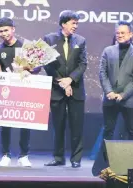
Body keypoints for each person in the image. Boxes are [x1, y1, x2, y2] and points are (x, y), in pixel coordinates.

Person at [0, 17, 40, 167]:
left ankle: (23, 155)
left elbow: (37, 67)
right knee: (5, 124)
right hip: (6, 92)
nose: (4, 33)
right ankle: (5, 155)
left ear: (13, 29)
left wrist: (26, 69)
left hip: (25, 90)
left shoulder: (27, 47)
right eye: (1, 31)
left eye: (6, 30)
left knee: (25, 123)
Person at [43, 10, 87, 168]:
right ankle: (58, 157)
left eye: (77, 23)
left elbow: (83, 64)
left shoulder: (80, 41)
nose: (75, 26)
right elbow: (46, 63)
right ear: (63, 23)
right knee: (58, 125)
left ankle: (76, 159)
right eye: (72, 23)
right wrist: (61, 82)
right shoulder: (49, 39)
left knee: (77, 126)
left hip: (76, 89)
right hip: (57, 89)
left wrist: (70, 80)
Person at [99, 21, 133, 142]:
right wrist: (109, 92)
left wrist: (123, 94)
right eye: (118, 33)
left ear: (131, 34)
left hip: (130, 99)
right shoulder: (107, 51)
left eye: (123, 33)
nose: (120, 35)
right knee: (108, 131)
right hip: (110, 99)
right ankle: (106, 160)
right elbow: (102, 73)